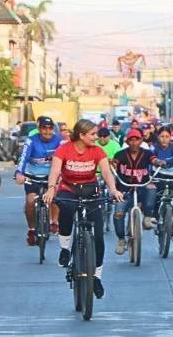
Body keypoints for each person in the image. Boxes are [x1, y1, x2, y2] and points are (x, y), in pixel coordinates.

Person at [42, 119, 123, 299]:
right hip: (69, 189)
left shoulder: (97, 151)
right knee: (66, 209)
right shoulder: (64, 149)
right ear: (81, 135)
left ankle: (96, 277)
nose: (96, 137)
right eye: (92, 134)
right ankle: (64, 248)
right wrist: (50, 189)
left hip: (90, 191)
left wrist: (114, 189)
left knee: (99, 237)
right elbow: (55, 172)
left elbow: (107, 173)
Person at [15, 116, 63, 245]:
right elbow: (23, 157)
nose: (47, 131)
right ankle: (31, 229)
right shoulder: (31, 141)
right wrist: (19, 173)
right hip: (32, 176)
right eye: (44, 128)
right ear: (39, 129)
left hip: (50, 177)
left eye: (50, 128)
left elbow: (64, 159)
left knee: (55, 195)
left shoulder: (59, 141)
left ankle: (54, 222)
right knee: (30, 201)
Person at [112, 129, 161, 255]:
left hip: (142, 187)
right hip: (124, 189)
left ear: (141, 141)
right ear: (127, 142)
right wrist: (111, 164)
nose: (134, 143)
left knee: (152, 187)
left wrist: (159, 162)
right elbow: (114, 163)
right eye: (131, 140)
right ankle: (121, 240)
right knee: (118, 214)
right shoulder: (120, 154)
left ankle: (148, 217)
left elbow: (154, 160)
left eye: (137, 139)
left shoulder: (147, 153)